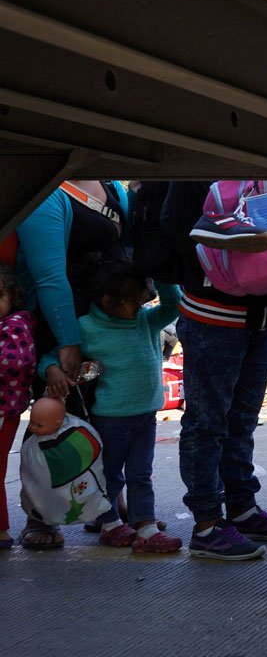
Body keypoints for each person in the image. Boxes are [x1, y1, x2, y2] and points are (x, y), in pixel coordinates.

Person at [161, 182, 267, 562]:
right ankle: (206, 523)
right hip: (212, 314)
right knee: (207, 422)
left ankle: (241, 507)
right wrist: (221, 269)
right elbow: (175, 228)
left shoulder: (266, 175)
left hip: (261, 318)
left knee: (242, 419)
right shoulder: (200, 171)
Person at [15, 179, 129, 550]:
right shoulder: (47, 187)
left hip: (105, 324)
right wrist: (67, 342)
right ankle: (42, 514)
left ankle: (106, 505)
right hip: (59, 324)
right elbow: (49, 275)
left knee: (106, 414)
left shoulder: (112, 184)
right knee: (51, 418)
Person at [39, 260, 182, 554]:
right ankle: (110, 524)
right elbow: (51, 357)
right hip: (110, 419)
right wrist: (52, 370)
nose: (139, 307)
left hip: (146, 416)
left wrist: (160, 269)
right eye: (133, 302)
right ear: (107, 301)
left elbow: (174, 304)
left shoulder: (144, 320)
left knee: (141, 474)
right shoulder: (86, 328)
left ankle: (146, 528)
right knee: (110, 474)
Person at [0, 262, 36, 550]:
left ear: (13, 297)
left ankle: (1, 530)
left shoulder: (14, 327)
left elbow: (12, 362)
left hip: (3, 410)